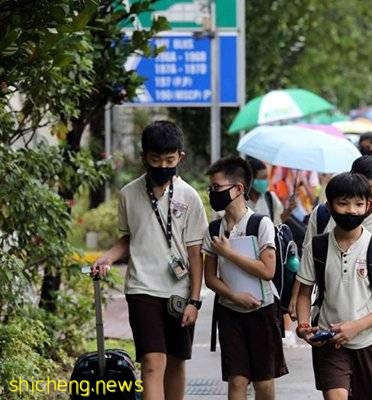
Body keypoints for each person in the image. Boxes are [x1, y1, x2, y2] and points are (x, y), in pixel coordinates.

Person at [92, 121, 207, 400]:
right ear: (144, 156)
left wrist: (194, 300)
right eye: (156, 160)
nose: (163, 166)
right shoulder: (129, 194)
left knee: (176, 362)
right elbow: (129, 238)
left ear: (181, 157)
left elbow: (195, 253)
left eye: (169, 160)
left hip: (178, 293)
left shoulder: (190, 197)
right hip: (142, 288)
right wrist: (106, 258)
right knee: (153, 363)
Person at [295, 172, 372, 400]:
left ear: (368, 206)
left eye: (358, 204)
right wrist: (303, 325)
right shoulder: (317, 247)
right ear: (329, 206)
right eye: (343, 203)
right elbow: (304, 293)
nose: (351, 210)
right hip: (330, 341)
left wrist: (356, 326)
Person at [202, 156, 288, 400]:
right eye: (211, 188)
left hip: (263, 311)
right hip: (230, 313)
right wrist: (234, 296)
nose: (213, 193)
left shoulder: (261, 224)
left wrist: (228, 253)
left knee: (263, 381)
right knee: (237, 381)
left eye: (217, 188)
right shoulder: (213, 230)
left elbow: (267, 270)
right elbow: (210, 277)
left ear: (238, 188)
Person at [287, 155, 372, 321]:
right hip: (327, 315)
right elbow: (307, 262)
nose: (365, 202)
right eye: (361, 193)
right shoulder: (322, 215)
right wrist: (296, 298)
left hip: (370, 322)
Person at [246, 157, 298, 346]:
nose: (264, 181)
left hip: (270, 255)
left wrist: (289, 211)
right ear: (249, 179)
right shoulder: (241, 201)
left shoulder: (269, 198)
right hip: (247, 257)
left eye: (266, 177)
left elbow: (278, 223)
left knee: (276, 291)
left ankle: (281, 329)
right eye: (261, 177)